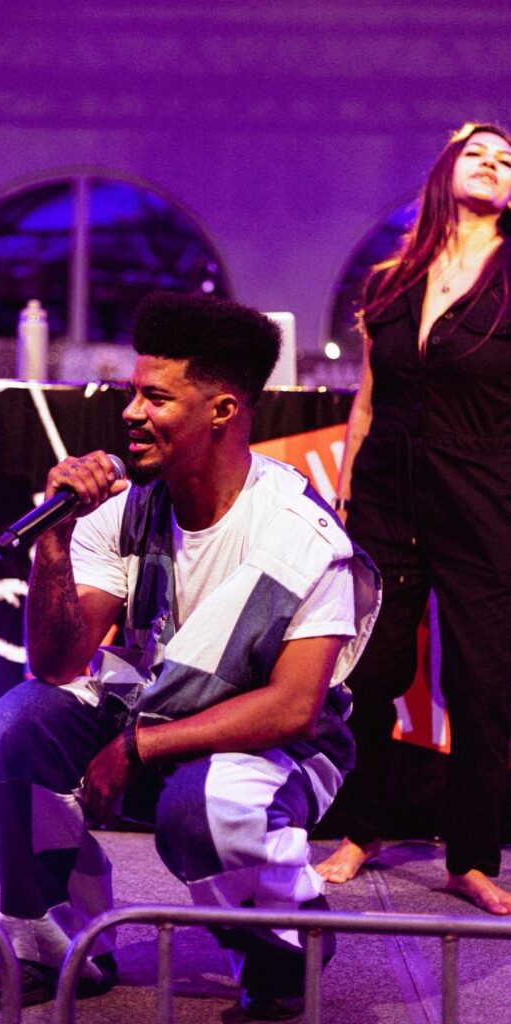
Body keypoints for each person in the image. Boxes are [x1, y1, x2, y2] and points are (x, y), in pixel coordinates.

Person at [0, 291, 380, 1020]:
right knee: (12, 728)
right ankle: (57, 948)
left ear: (222, 410)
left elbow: (293, 707)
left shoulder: (301, 535)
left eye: (155, 397)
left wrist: (139, 746)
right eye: (133, 393)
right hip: (149, 707)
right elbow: (57, 666)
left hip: (274, 744)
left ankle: (284, 948)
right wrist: (54, 540)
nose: (131, 413)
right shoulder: (124, 509)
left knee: (206, 806)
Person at [316, 122, 511, 915]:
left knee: (481, 685)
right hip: (386, 497)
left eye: (506, 160)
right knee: (370, 675)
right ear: (444, 170)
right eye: (478, 152)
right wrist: (345, 497)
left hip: (482, 500)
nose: (493, 163)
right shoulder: (390, 280)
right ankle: (360, 831)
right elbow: (368, 399)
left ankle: (470, 859)